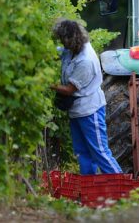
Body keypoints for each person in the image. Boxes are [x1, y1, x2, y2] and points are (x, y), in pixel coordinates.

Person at [50, 19, 122, 175]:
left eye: (63, 40)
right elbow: (60, 53)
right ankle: (91, 189)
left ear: (71, 39)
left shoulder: (86, 60)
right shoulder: (72, 50)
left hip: (90, 110)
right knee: (82, 153)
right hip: (76, 110)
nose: (62, 43)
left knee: (99, 152)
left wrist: (48, 83)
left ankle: (124, 187)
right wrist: (46, 52)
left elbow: (69, 89)